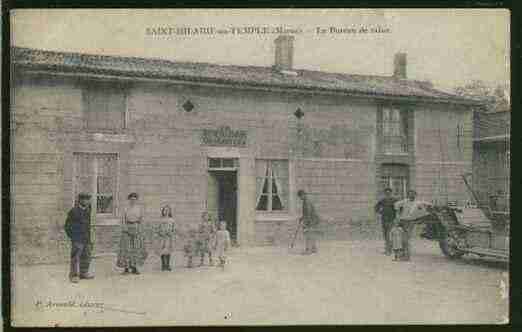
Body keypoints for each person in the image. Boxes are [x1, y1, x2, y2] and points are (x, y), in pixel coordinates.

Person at [64, 192, 94, 283]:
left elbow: (88, 225)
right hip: (77, 239)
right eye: (84, 199)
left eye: (87, 199)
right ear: (79, 200)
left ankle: (83, 273)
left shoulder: (88, 210)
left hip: (86, 238)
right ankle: (74, 275)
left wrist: (90, 238)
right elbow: (67, 226)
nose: (86, 201)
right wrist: (73, 236)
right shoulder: (74, 211)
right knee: (75, 257)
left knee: (87, 256)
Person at [394, 190, 430, 261]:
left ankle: (406, 256)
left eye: (413, 194)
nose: (411, 196)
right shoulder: (404, 201)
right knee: (401, 239)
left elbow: (426, 206)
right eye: (410, 194)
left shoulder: (418, 203)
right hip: (402, 221)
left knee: (406, 239)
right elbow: (396, 205)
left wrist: (419, 215)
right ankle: (403, 256)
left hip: (410, 222)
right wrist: (398, 214)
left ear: (415, 195)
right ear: (408, 195)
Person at [117, 193, 148, 274]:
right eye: (131, 199)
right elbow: (123, 219)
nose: (133, 201)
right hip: (127, 228)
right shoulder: (125, 209)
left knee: (136, 249)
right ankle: (126, 268)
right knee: (126, 249)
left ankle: (134, 267)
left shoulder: (139, 209)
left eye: (134, 199)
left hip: (136, 227)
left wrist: (140, 229)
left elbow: (141, 220)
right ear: (129, 200)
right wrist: (125, 228)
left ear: (136, 200)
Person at [374, 188, 398, 256]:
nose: (388, 194)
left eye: (389, 193)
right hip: (384, 219)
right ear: (385, 193)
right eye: (386, 193)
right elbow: (376, 207)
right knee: (385, 235)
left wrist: (396, 216)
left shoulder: (395, 200)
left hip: (392, 219)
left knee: (389, 235)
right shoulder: (383, 200)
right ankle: (388, 249)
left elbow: (399, 208)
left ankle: (389, 250)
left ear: (391, 193)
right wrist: (380, 212)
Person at [297, 190, 321, 255]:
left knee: (308, 234)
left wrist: (305, 222)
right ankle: (313, 248)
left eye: (300, 197)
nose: (300, 198)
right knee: (311, 234)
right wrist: (302, 218)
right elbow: (306, 212)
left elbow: (308, 213)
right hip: (313, 219)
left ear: (303, 195)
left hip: (311, 220)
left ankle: (308, 250)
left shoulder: (306, 202)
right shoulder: (306, 201)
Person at [154, 205, 176, 271]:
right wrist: (160, 233)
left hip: (168, 237)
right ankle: (163, 265)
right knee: (162, 251)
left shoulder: (171, 220)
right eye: (165, 210)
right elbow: (157, 228)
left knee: (168, 251)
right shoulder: (160, 220)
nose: (166, 212)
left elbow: (173, 228)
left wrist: (171, 233)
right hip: (162, 237)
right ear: (163, 211)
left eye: (168, 210)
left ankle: (168, 265)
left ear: (169, 211)